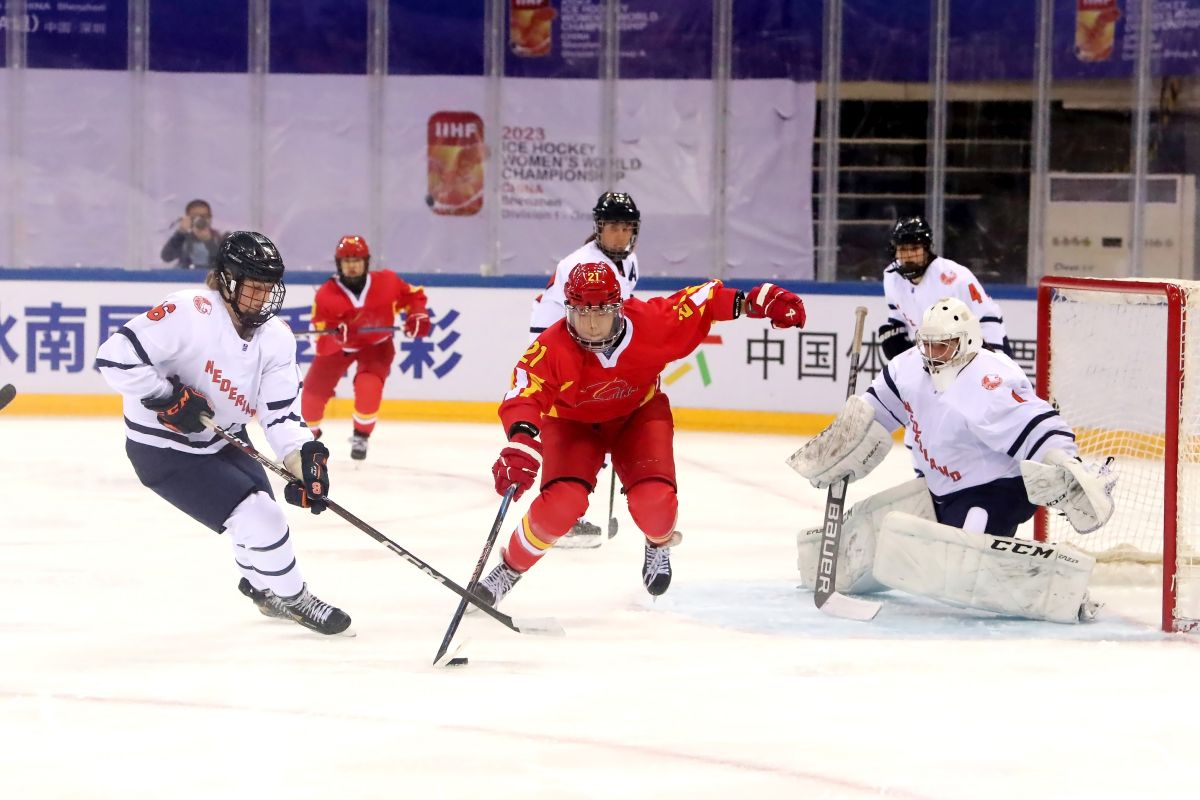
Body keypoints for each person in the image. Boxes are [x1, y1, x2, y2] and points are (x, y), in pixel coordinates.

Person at [476, 262, 806, 607]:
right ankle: (509, 570)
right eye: (582, 313)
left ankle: (658, 543)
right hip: (572, 425)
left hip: (638, 416)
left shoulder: (651, 323)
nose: (591, 324)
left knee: (655, 505)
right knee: (560, 504)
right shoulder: (551, 348)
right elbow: (524, 394)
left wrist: (753, 302)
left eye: (601, 312)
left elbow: (703, 302)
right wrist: (521, 441)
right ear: (568, 310)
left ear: (618, 308)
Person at [791, 298, 1117, 623]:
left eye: (942, 346)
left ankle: (1062, 590)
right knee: (878, 538)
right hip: (940, 490)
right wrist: (843, 442)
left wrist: (1065, 460)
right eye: (927, 344)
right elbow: (875, 414)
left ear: (967, 341)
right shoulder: (908, 368)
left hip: (996, 492)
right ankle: (822, 564)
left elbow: (1036, 424)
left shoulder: (990, 378)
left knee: (962, 567)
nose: (931, 354)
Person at [95, 231, 351, 635]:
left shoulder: (276, 338)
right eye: (254, 287)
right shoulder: (189, 312)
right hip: (164, 449)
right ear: (228, 280)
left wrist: (303, 459)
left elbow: (281, 414)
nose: (263, 298)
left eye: (269, 288)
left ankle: (261, 589)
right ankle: (294, 599)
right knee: (261, 518)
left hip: (224, 437)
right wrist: (166, 396)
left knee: (256, 514)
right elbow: (114, 358)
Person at [529, 190, 641, 547]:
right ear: (599, 228)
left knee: (595, 429)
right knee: (572, 431)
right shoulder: (580, 264)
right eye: (613, 227)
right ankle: (561, 516)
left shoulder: (630, 261)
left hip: (592, 347)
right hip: (558, 348)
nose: (620, 235)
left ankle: (566, 513)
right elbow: (563, 325)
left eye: (626, 228)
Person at [300, 235, 431, 461]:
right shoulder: (326, 295)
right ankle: (306, 439)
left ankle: (361, 435)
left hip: (376, 346)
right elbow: (319, 341)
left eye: (357, 260)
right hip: (338, 350)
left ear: (366, 262)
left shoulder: (387, 282)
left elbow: (413, 295)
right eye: (346, 261)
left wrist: (417, 315)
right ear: (339, 264)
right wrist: (336, 338)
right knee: (310, 399)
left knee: (368, 388)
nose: (352, 266)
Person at [877, 216, 1011, 362]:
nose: (908, 256)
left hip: (973, 349)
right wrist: (896, 334)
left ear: (926, 249)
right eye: (902, 249)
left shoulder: (955, 278)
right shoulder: (891, 278)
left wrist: (993, 359)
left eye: (914, 248)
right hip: (936, 355)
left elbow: (986, 318)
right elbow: (898, 316)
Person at [161, 199, 223, 270]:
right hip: (186, 276)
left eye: (204, 216)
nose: (200, 220)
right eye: (195, 217)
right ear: (187, 219)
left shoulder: (220, 238)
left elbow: (226, 263)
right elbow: (166, 257)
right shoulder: (182, 239)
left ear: (210, 218)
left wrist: (209, 242)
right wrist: (180, 233)